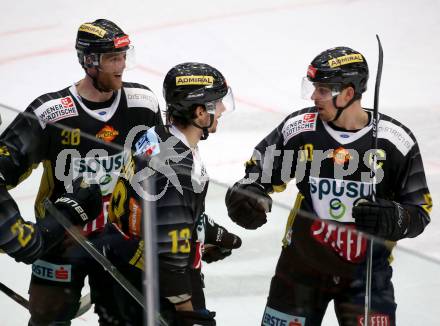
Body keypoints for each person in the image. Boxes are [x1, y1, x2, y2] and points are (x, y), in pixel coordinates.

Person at [225, 46, 432, 325]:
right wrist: (247, 195)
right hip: (301, 269)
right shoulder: (301, 130)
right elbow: (257, 177)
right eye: (313, 88)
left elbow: (419, 211)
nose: (313, 96)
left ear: (348, 93)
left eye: (322, 89)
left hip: (367, 276)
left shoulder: (394, 142)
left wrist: (395, 218)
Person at [0, 19, 162, 325]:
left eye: (125, 56)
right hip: (62, 241)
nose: (122, 65)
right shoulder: (50, 113)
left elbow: (162, 170)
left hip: (122, 240)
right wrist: (18, 234)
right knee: (47, 315)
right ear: (89, 61)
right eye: (114, 58)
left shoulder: (143, 103)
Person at [104, 62, 241, 325]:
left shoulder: (156, 134)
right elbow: (169, 256)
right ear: (200, 113)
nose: (222, 109)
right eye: (218, 103)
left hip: (129, 260)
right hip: (155, 282)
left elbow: (163, 213)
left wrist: (205, 233)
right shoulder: (178, 170)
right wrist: (187, 311)